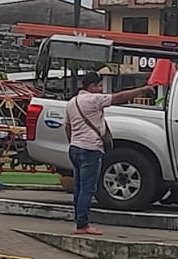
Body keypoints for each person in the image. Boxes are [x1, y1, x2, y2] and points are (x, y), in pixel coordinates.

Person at [65, 72, 155, 235]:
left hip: (75, 148)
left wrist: (73, 142)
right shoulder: (94, 100)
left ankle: (79, 220)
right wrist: (142, 89)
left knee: (79, 188)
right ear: (91, 87)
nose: (101, 89)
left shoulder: (72, 102)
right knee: (88, 189)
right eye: (99, 86)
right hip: (90, 149)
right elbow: (119, 97)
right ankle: (82, 224)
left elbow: (67, 126)